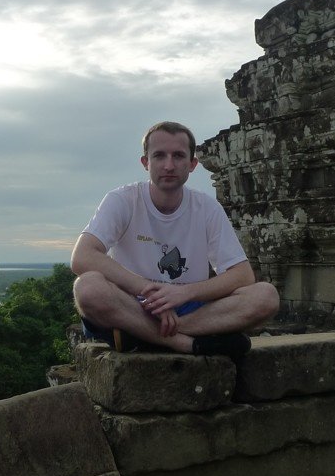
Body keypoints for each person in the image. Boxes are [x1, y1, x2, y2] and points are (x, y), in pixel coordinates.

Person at [71, 121, 279, 357]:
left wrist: (184, 293)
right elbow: (82, 257)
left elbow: (242, 275)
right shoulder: (123, 200)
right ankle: (185, 343)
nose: (169, 165)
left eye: (178, 156)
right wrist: (149, 292)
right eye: (159, 156)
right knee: (87, 287)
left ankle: (145, 334)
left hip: (189, 309)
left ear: (192, 164)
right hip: (132, 304)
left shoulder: (207, 208)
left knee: (266, 296)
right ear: (145, 162)